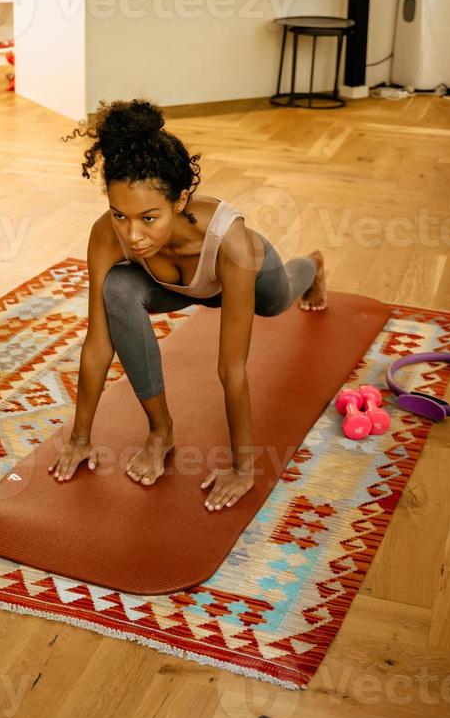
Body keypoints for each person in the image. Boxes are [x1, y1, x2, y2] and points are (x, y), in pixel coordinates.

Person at [48, 100, 327, 511]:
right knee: (118, 290)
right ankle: (161, 432)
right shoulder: (108, 235)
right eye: (119, 215)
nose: (133, 234)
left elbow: (231, 369)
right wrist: (80, 439)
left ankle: (314, 265)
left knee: (279, 301)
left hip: (238, 272)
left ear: (179, 201)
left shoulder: (231, 243)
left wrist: (242, 468)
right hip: (172, 284)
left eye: (148, 217)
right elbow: (97, 343)